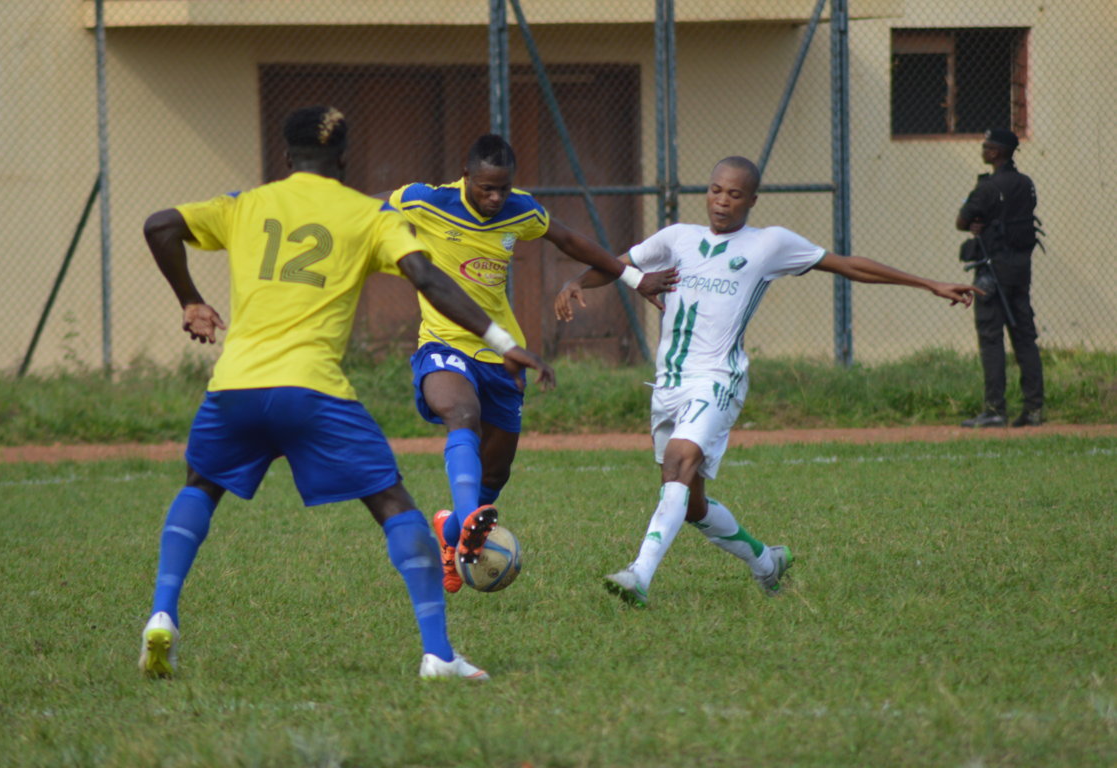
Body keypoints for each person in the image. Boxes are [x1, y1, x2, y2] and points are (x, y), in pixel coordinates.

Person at [138, 106, 555, 681]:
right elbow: (430, 280)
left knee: (200, 487)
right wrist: (502, 339)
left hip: (235, 385)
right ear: (343, 159)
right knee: (394, 507)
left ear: (286, 157)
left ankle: (162, 613)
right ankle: (437, 653)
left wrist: (190, 299)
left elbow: (159, 225)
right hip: (314, 392)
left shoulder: (245, 204)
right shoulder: (366, 215)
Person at [555, 155, 981, 607]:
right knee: (692, 503)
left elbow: (848, 265)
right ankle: (766, 562)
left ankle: (639, 575)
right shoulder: (678, 237)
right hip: (668, 385)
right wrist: (578, 281)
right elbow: (616, 264)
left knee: (679, 462)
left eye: (735, 194)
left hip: (719, 379)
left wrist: (928, 283)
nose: (722, 201)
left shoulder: (769, 245)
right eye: (716, 190)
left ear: (752, 200)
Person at [385, 134, 676, 593]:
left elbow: (570, 240)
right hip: (443, 342)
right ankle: (466, 529)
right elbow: (366, 208)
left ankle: (450, 530)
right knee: (462, 414)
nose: (495, 197)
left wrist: (634, 278)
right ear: (466, 178)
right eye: (486, 188)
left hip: (503, 353)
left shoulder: (521, 209)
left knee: (496, 472)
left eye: (502, 187)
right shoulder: (426, 200)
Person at [956, 129, 1044, 428]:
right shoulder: (1025, 184)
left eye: (986, 146)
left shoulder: (988, 187)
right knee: (1025, 339)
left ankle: (995, 409)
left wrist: (981, 225)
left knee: (991, 339)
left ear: (996, 152)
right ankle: (1033, 410)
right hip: (1020, 271)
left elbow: (961, 221)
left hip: (992, 273)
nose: (983, 150)